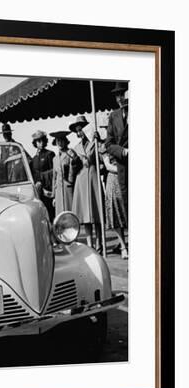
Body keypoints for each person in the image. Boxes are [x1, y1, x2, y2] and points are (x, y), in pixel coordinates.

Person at [70, 116, 104, 252]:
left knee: (96, 213)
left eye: (81, 130)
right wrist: (74, 162)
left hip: (93, 178)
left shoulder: (94, 142)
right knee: (85, 215)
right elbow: (73, 168)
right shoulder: (75, 148)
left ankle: (99, 243)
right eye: (77, 131)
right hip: (81, 181)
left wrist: (99, 140)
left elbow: (102, 155)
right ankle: (90, 244)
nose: (80, 133)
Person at [105, 82, 129, 222]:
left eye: (122, 94)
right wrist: (123, 151)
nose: (119, 99)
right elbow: (108, 143)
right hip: (123, 166)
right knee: (128, 204)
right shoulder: (114, 116)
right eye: (117, 96)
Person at [101, 148, 129, 259]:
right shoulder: (105, 147)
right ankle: (123, 247)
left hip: (127, 178)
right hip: (115, 179)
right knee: (116, 213)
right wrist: (123, 170)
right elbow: (108, 165)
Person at [50, 130, 80, 214]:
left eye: (61, 141)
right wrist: (54, 196)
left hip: (69, 189)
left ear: (65, 142)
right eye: (57, 141)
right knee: (60, 217)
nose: (59, 143)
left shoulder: (71, 153)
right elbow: (54, 178)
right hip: (58, 191)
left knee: (71, 213)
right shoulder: (55, 159)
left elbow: (75, 169)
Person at [29, 130, 55, 220]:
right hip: (38, 191)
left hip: (48, 191)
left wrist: (46, 187)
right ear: (35, 143)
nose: (41, 143)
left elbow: (53, 173)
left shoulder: (50, 154)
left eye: (43, 140)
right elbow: (33, 175)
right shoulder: (34, 159)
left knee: (51, 215)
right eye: (38, 141)